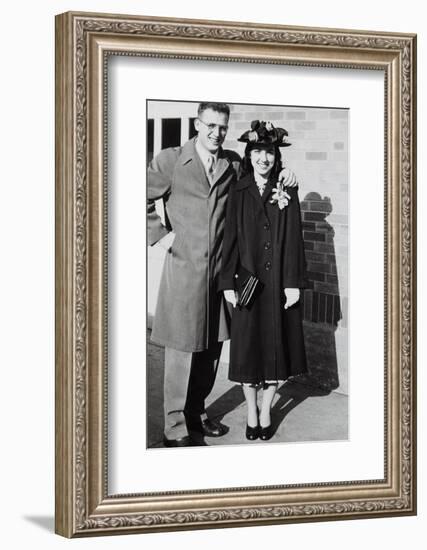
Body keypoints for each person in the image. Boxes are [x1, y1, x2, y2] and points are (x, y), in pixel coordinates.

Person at [148, 105, 298, 447]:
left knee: (212, 348)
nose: (217, 132)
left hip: (221, 272)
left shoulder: (231, 161)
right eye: (211, 125)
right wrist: (160, 234)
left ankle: (196, 414)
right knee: (182, 348)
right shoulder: (172, 160)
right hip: (185, 270)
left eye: (223, 127)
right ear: (198, 125)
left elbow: (263, 169)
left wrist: (289, 175)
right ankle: (174, 427)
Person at [219, 120, 308, 441]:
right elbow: (229, 240)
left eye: (268, 152)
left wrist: (293, 283)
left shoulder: (287, 188)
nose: (263, 158)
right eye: (257, 151)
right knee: (247, 352)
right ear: (249, 154)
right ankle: (251, 409)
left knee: (275, 350)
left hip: (279, 286)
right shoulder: (238, 191)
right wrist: (228, 282)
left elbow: (295, 240)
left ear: (276, 156)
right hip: (247, 285)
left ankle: (267, 409)